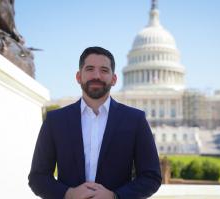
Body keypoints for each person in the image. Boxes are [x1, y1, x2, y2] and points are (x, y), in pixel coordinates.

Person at [28, 46, 161, 199]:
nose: (96, 75)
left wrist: (115, 196)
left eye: (104, 70)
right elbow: (38, 177)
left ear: (114, 79)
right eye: (90, 69)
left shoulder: (135, 120)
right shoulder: (55, 121)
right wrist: (69, 194)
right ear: (78, 76)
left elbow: (151, 177)